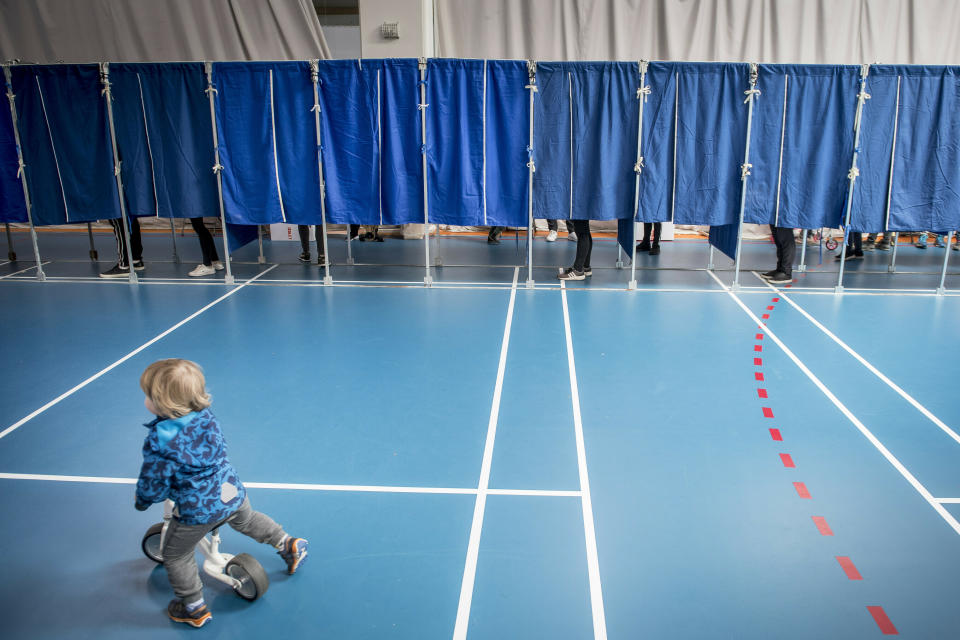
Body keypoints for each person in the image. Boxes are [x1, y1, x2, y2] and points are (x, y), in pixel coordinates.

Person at [135, 359, 308, 628]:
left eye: (148, 396)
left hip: (198, 508)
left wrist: (144, 500)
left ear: (162, 404)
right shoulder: (205, 417)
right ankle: (287, 544)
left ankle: (192, 607)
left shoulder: (161, 438)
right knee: (247, 520)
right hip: (229, 490)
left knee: (176, 555)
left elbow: (154, 478)